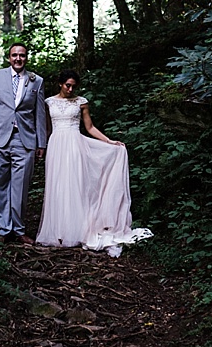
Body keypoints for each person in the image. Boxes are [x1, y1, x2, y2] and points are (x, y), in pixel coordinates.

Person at [36, 69, 153, 258]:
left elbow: (89, 127)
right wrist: (41, 146)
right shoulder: (49, 102)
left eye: (74, 86)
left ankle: (77, 230)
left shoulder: (81, 102)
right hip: (56, 145)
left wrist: (109, 142)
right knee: (57, 186)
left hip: (75, 145)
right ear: (60, 83)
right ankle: (59, 232)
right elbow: (46, 128)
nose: (71, 89)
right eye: (68, 85)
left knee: (76, 185)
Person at [0, 42, 48, 244]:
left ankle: (19, 229)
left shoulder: (36, 81)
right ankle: (4, 229)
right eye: (14, 55)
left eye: (22, 55)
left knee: (21, 187)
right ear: (9, 57)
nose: (18, 59)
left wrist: (41, 143)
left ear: (26, 58)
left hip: (25, 140)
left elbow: (39, 115)